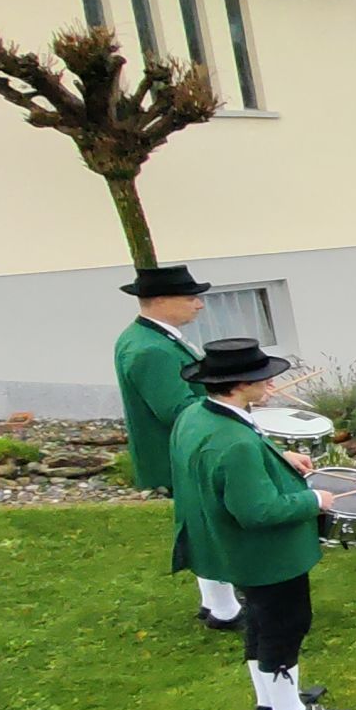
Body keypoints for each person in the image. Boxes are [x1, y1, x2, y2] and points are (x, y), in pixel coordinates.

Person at [168, 339, 349, 710]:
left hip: (230, 548)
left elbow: (224, 463)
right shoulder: (233, 444)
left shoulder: (198, 414)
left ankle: (269, 700)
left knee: (260, 622)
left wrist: (277, 457)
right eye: (259, 377)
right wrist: (313, 500)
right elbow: (257, 512)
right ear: (236, 385)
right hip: (266, 555)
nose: (269, 382)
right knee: (285, 626)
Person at [113, 263, 242, 632]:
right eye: (191, 298)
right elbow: (177, 409)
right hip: (184, 452)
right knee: (212, 528)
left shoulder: (156, 337)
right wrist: (230, 403)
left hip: (183, 449)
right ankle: (225, 611)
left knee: (207, 524)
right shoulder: (150, 350)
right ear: (160, 300)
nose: (199, 305)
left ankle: (215, 601)